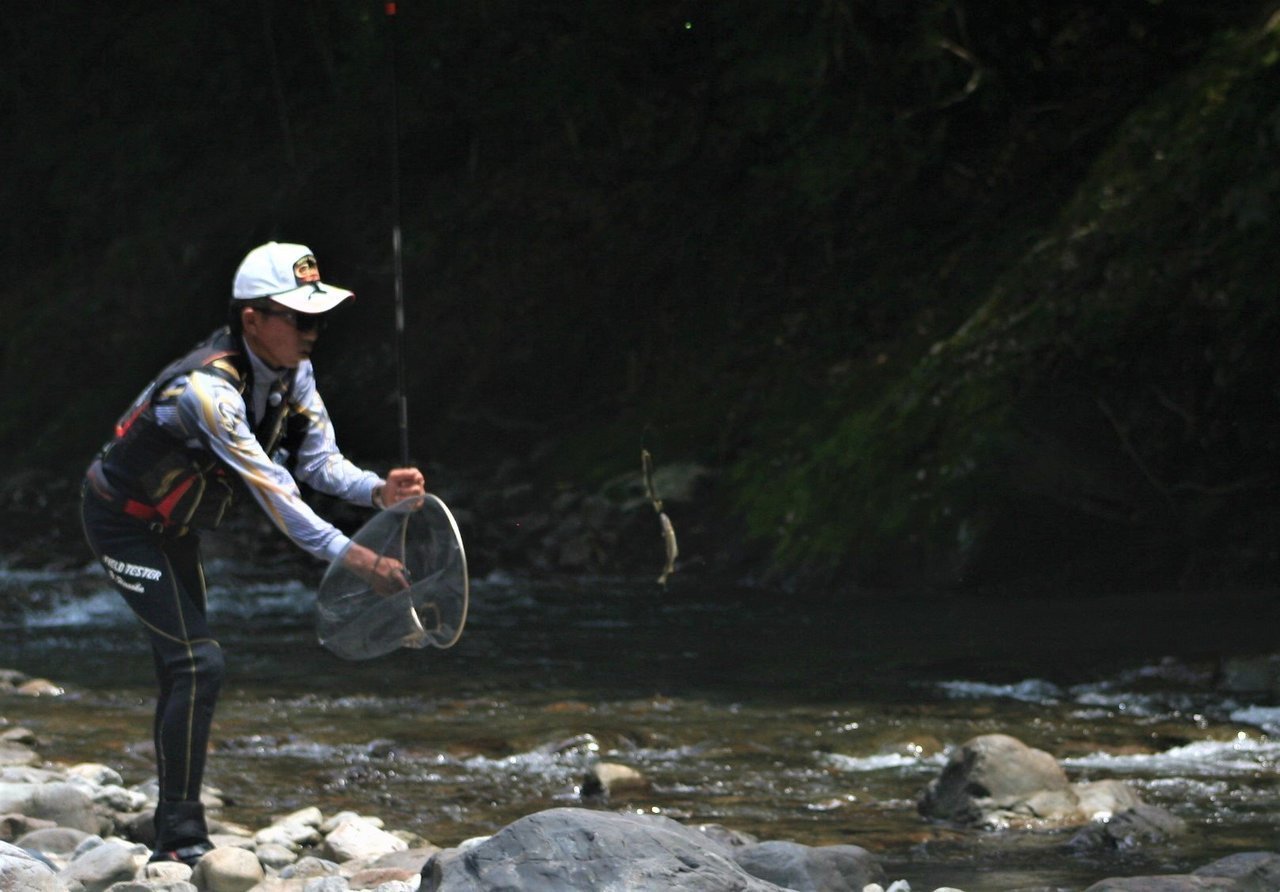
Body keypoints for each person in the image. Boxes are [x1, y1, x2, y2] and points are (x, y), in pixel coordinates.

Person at [80, 241, 423, 866]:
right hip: (120, 522)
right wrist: (358, 558)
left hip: (173, 530)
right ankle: (181, 840)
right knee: (197, 663)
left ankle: (171, 825)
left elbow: (319, 462)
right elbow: (277, 494)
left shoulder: (295, 372)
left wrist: (378, 491)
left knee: (184, 666)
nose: (313, 333)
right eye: (300, 319)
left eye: (318, 319)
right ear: (252, 320)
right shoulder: (207, 393)